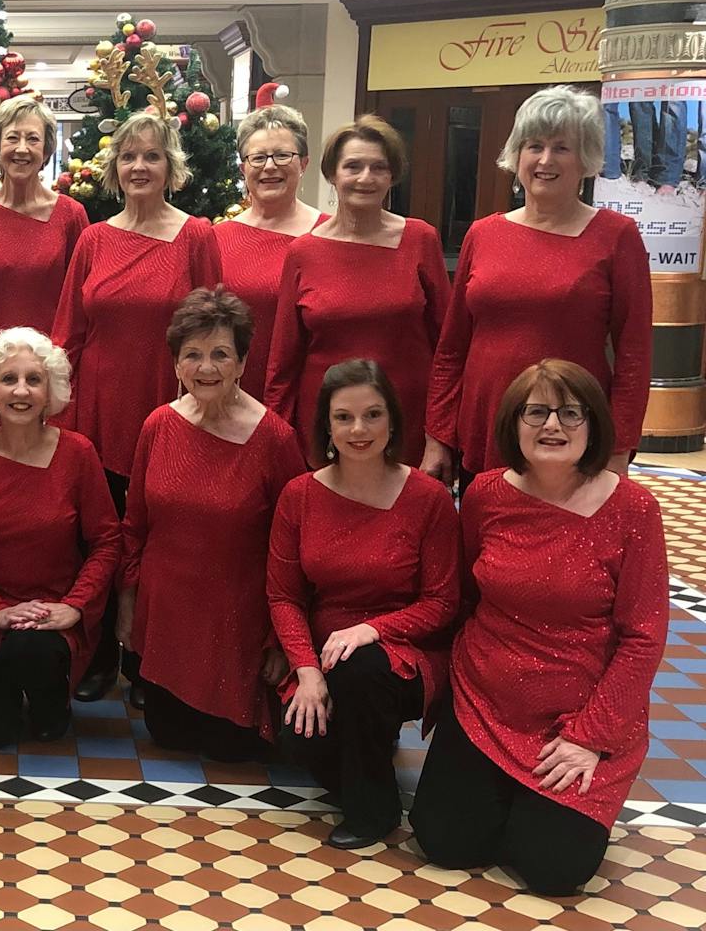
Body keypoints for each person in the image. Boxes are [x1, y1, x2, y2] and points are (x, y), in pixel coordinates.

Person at [410, 361, 667, 896]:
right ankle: (503, 790)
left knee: (554, 869)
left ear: (593, 423)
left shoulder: (633, 509)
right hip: (483, 699)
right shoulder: (483, 494)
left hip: (575, 718)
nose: (553, 425)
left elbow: (643, 636)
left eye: (570, 413)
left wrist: (590, 738)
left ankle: (533, 802)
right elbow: (467, 595)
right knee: (445, 843)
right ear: (514, 423)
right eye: (537, 412)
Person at [54, 108, 221, 702]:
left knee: (159, 536)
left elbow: (212, 330)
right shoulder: (95, 238)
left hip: (168, 408)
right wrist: (56, 413)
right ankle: (95, 651)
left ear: (170, 165)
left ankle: (150, 659)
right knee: (98, 536)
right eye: (129, 156)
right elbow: (67, 333)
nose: (139, 166)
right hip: (96, 407)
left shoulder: (197, 235)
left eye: (152, 155)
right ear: (114, 169)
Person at [268, 359, 460, 848]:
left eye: (373, 415)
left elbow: (442, 602)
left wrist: (373, 630)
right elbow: (284, 595)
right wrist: (306, 670)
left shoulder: (428, 497)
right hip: (325, 656)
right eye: (344, 417)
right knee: (299, 739)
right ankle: (369, 754)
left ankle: (371, 814)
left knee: (361, 673)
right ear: (326, 425)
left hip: (404, 652)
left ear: (393, 420)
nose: (359, 429)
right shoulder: (299, 495)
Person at [427, 87, 651, 487]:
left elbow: (634, 353)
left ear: (586, 159)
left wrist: (617, 450)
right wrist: (438, 436)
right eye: (534, 146)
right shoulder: (483, 233)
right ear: (516, 156)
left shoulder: (616, 236)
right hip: (484, 428)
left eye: (562, 148)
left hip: (570, 433)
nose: (545, 160)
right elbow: (452, 348)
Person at [118, 287, 303, 753]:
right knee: (169, 736)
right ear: (177, 364)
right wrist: (128, 604)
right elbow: (135, 526)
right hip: (168, 621)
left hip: (236, 626)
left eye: (220, 354)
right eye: (193, 355)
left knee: (235, 748)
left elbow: (295, 547)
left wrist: (283, 641)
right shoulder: (157, 425)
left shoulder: (275, 439)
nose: (205, 368)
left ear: (242, 362)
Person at [0, 328, 120, 749]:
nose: (21, 391)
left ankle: (50, 699)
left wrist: (74, 607)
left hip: (54, 615)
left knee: (32, 657)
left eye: (33, 380)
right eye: (9, 379)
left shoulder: (78, 453)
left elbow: (107, 540)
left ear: (50, 390)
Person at [266, 115, 450, 469]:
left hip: (406, 424)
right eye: (353, 166)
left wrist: (439, 436)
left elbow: (447, 347)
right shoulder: (304, 252)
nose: (365, 178)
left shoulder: (420, 240)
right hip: (326, 427)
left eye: (378, 167)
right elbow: (283, 361)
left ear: (392, 175)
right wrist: (279, 438)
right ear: (332, 174)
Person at [0, 95, 88, 427]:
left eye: (33, 139)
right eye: (12, 138)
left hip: (49, 376)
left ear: (46, 151)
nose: (22, 148)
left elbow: (81, 303)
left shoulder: (71, 215)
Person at [213, 104, 325, 399]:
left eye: (282, 155)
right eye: (258, 157)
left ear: (304, 163)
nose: (270, 166)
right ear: (243, 168)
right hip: (234, 393)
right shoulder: (216, 239)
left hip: (312, 391)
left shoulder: (329, 236)